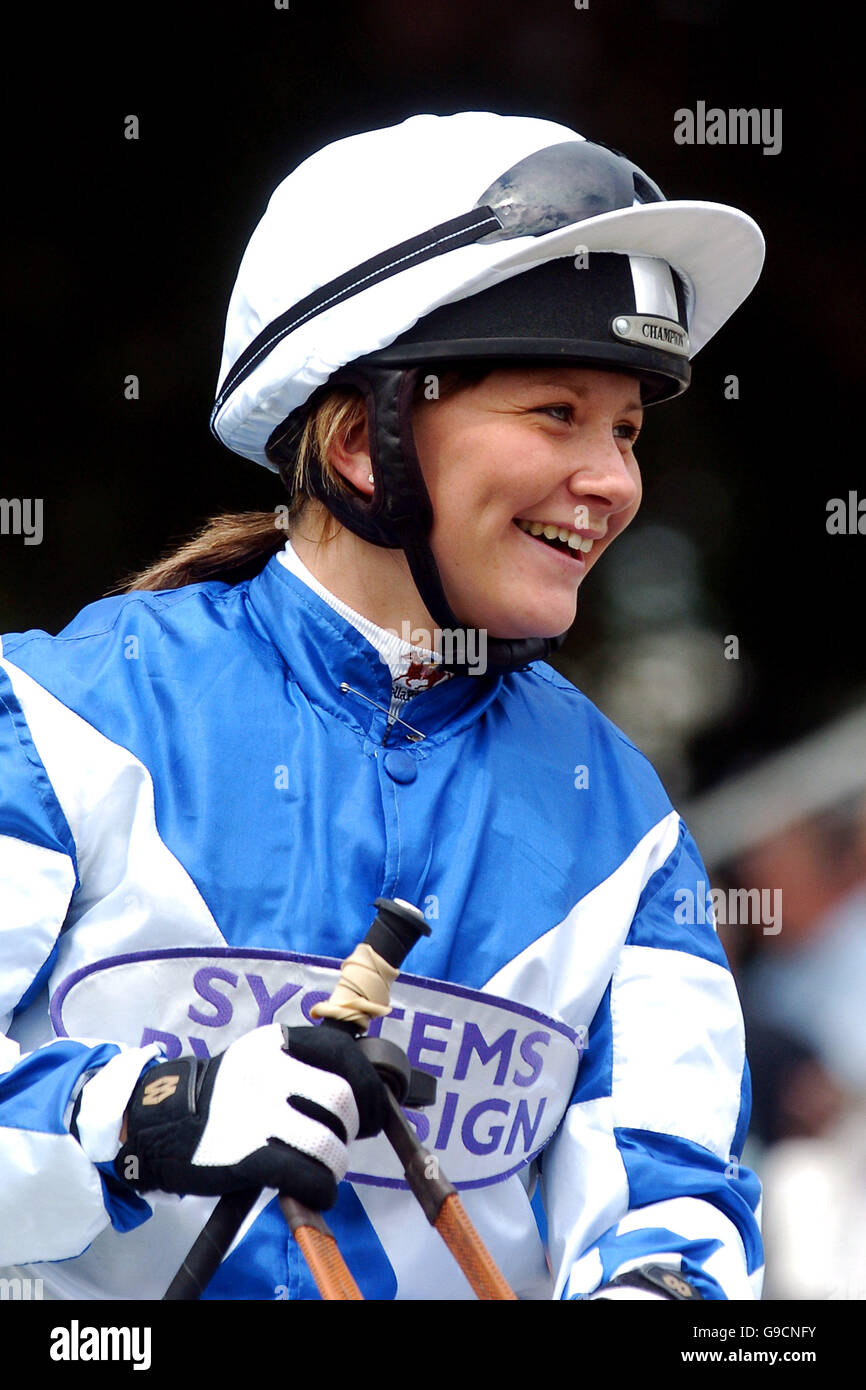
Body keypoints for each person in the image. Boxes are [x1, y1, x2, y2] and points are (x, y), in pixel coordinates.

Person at [0, 111, 765, 1301]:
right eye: (555, 413)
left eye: (623, 427)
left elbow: (674, 1201)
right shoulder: (55, 716)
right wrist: (147, 1109)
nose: (613, 480)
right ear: (364, 440)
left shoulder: (623, 818)